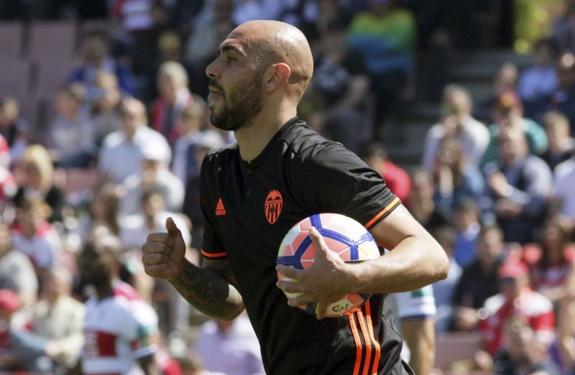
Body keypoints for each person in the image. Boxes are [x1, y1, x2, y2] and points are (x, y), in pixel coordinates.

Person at [142, 20, 448, 375]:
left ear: (275, 77)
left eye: (231, 58)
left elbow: (431, 256)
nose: (211, 69)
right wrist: (181, 273)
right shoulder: (217, 174)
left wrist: (352, 277)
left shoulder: (319, 163)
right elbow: (230, 302)